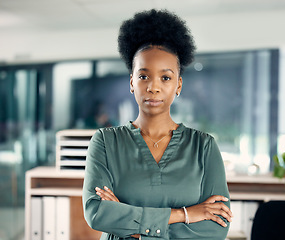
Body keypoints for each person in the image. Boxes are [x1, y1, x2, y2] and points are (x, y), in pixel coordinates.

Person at [82, 9, 233, 240]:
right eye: (144, 76)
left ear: (178, 85)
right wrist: (185, 214)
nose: (154, 87)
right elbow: (97, 213)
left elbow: (215, 228)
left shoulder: (204, 147)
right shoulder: (105, 142)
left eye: (165, 77)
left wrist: (132, 229)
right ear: (132, 82)